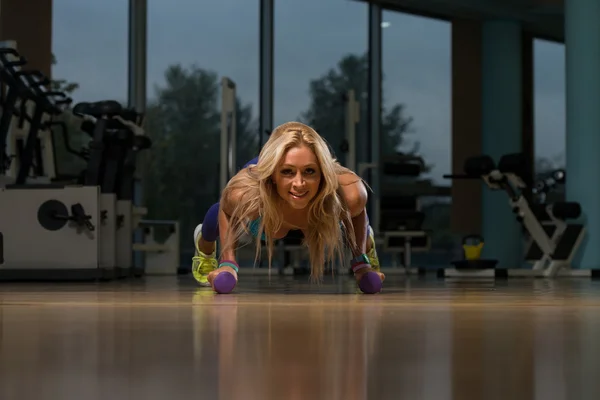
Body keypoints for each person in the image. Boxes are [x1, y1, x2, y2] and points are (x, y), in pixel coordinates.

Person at [191, 121, 385, 294]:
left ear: (323, 173)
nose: (299, 183)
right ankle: (204, 249)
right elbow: (226, 208)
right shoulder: (249, 194)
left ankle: (368, 248)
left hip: (320, 207)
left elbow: (358, 212)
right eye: (287, 172)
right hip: (265, 205)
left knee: (348, 210)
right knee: (224, 208)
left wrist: (361, 261)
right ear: (273, 176)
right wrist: (228, 263)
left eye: (309, 171)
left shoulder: (349, 192)